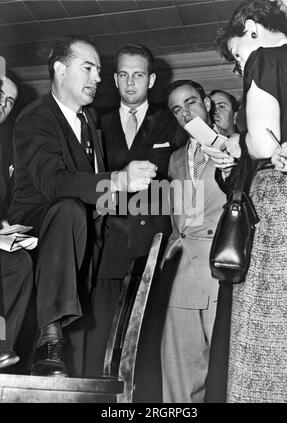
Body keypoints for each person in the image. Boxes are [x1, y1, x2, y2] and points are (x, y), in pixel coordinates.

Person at [7, 35, 157, 378]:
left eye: (100, 71)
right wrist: (117, 180)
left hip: (81, 247)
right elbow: (55, 184)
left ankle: (50, 348)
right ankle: (48, 337)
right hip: (39, 240)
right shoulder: (35, 118)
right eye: (88, 68)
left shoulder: (89, 121)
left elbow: (93, 192)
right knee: (69, 208)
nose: (98, 78)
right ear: (60, 70)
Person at [209, 0, 287, 402]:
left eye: (237, 55)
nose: (239, 66)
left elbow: (264, 142)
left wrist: (237, 139)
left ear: (251, 29)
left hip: (281, 211)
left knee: (265, 338)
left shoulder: (266, 57)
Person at [84, 43, 187, 377]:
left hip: (151, 250)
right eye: (124, 75)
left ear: (151, 79)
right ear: (114, 79)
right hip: (107, 250)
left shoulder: (171, 124)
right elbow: (91, 182)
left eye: (138, 75)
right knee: (100, 343)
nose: (131, 83)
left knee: (143, 349)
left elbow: (183, 186)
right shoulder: (94, 122)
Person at [158, 80, 231, 403]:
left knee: (231, 373)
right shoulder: (173, 160)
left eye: (190, 103)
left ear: (207, 103)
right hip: (180, 276)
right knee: (178, 378)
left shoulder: (239, 149)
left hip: (224, 271)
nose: (185, 113)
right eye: (177, 109)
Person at [0, 75, 33, 370]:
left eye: (10, 102)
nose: (4, 105)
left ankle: (1, 345)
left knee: (19, 263)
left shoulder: (6, 148)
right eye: (0, 95)